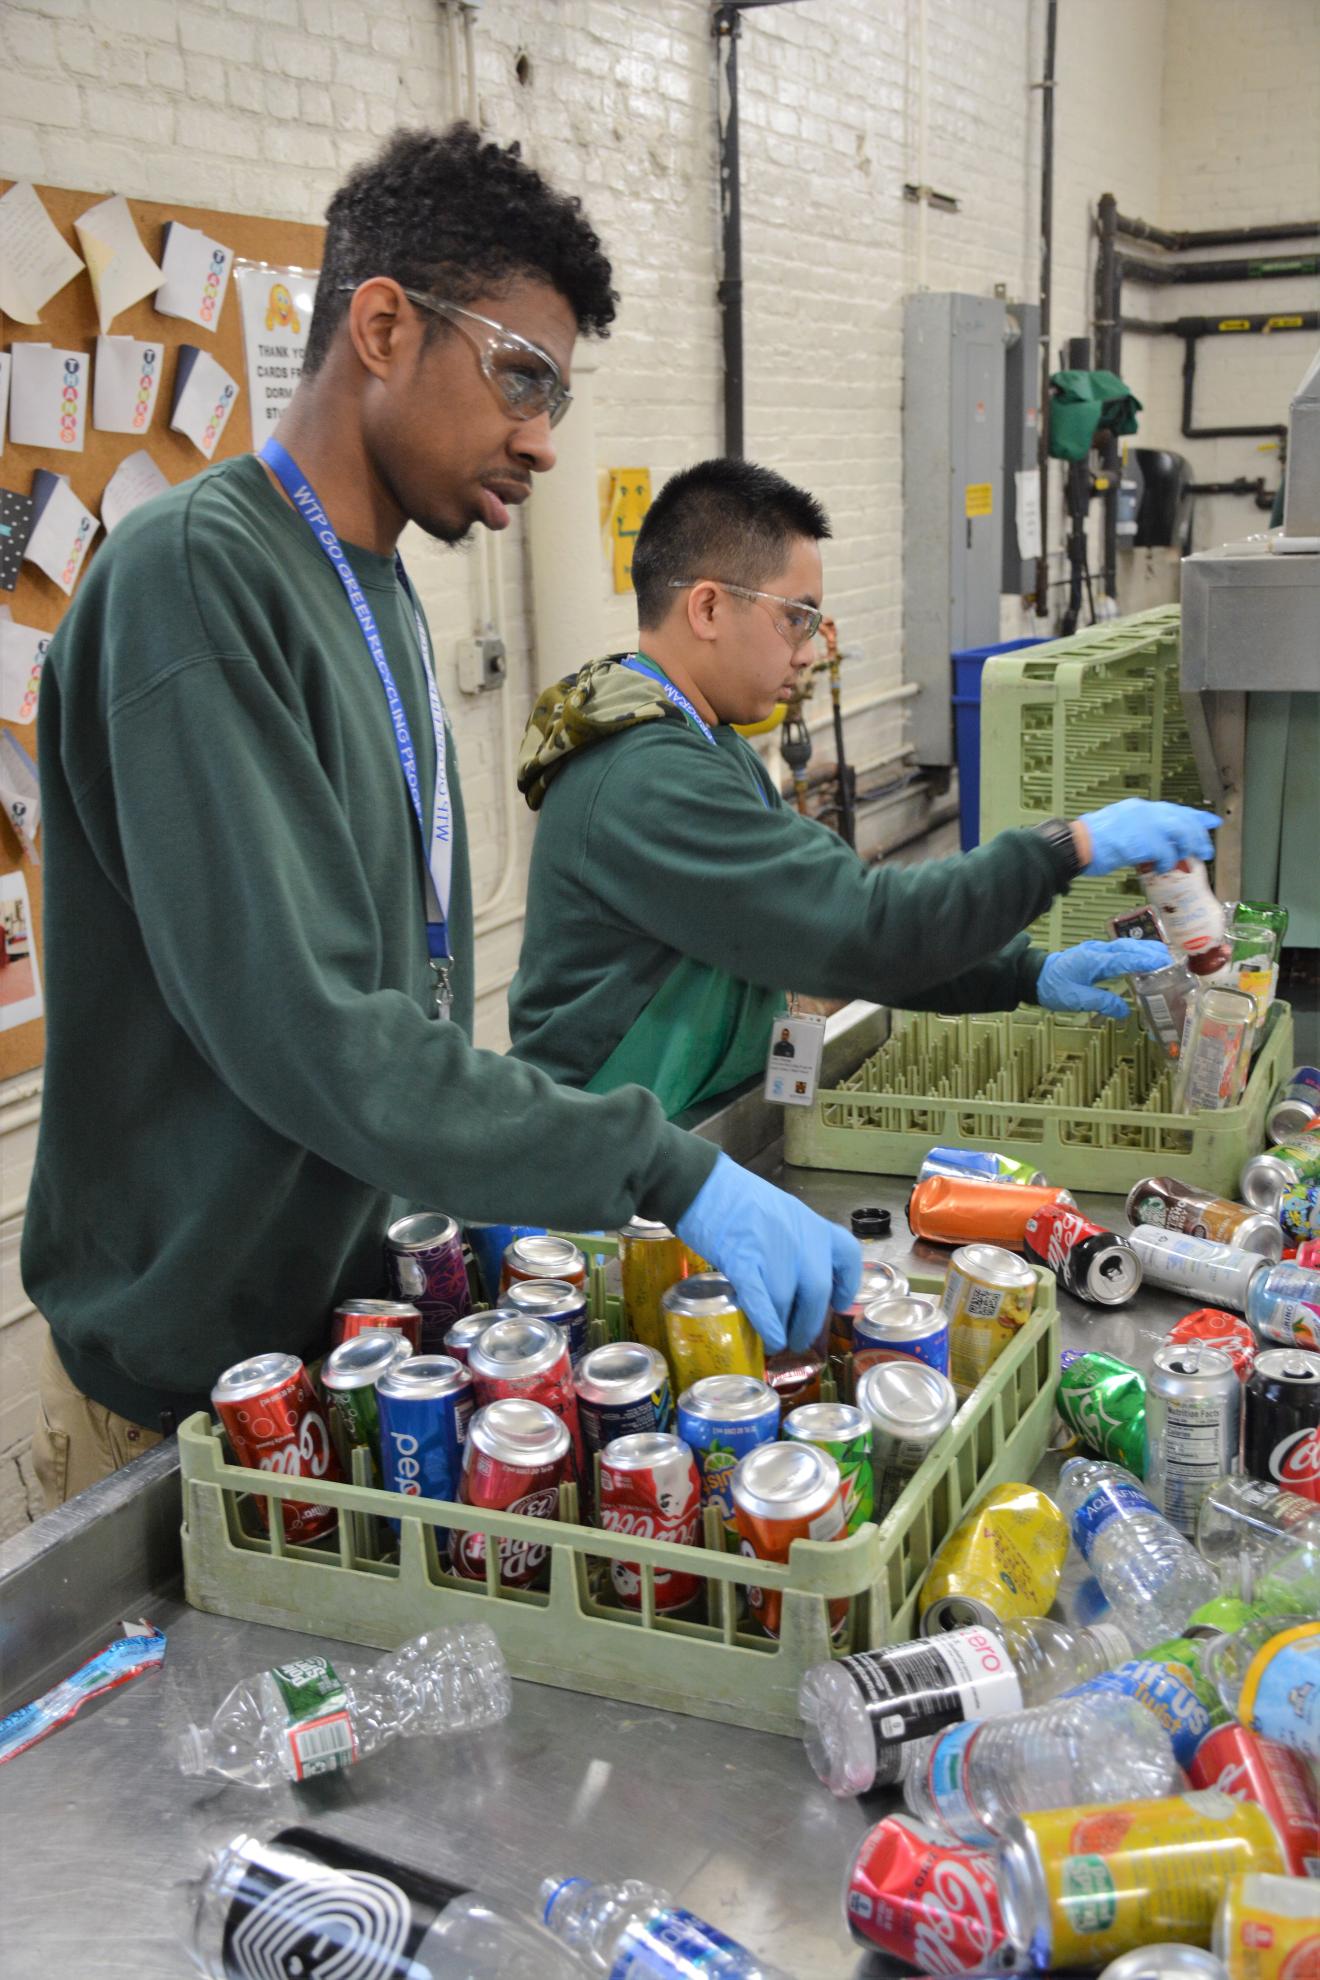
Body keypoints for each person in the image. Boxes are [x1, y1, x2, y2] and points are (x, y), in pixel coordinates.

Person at [22, 130, 858, 1507]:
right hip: (195, 1379)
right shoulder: (193, 586)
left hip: (349, 1327)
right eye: (518, 374)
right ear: (385, 325)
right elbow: (314, 1033)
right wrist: (652, 1165)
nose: (539, 434)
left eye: (558, 397)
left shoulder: (385, 592)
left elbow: (398, 993)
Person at [509, 458, 1218, 1115]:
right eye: (796, 617)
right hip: (596, 1167)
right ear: (707, 609)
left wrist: (1026, 973)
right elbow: (864, 929)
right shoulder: (645, 775)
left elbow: (836, 937)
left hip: (675, 1125)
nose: (810, 650)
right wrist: (1068, 846)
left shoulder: (707, 743)